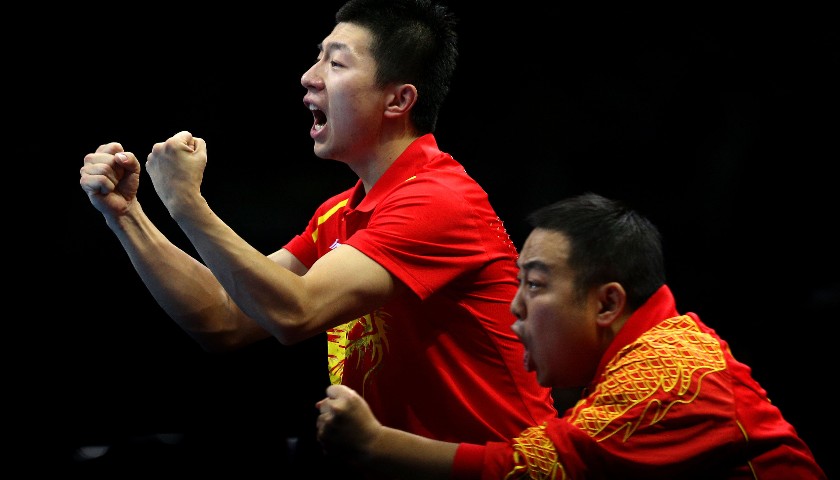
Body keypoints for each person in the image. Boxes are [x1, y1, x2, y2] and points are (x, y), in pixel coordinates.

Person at [77, 0, 556, 469]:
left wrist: (186, 202)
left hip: (507, 466)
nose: (309, 76)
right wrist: (127, 216)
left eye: (336, 62)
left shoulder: (438, 199)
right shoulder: (339, 212)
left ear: (398, 100)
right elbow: (225, 318)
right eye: (318, 57)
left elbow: (295, 312)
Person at [315, 192, 827, 479]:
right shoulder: (644, 355)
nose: (515, 306)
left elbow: (535, 469)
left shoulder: (669, 372)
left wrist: (375, 443)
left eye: (536, 285)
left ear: (607, 303)